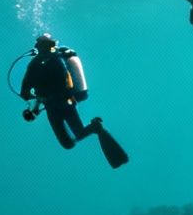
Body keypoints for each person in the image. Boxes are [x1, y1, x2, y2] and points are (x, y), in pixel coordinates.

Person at [18, 34, 127, 167]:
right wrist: (32, 105)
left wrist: (33, 99)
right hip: (53, 107)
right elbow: (25, 90)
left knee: (73, 138)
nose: (36, 46)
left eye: (39, 44)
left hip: (65, 104)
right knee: (68, 143)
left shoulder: (55, 60)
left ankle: (96, 127)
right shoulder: (36, 64)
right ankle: (94, 127)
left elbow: (27, 90)